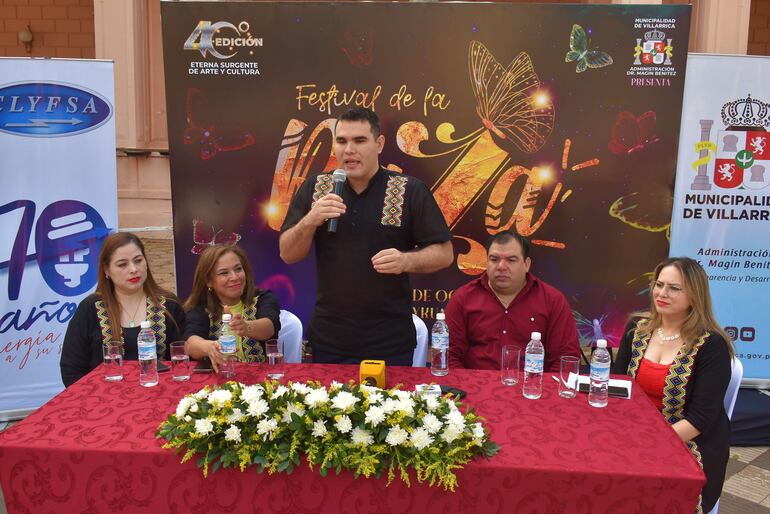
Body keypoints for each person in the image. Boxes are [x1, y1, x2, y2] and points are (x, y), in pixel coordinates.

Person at [279, 107, 453, 365]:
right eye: (341, 141)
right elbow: (288, 254)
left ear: (379, 144)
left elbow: (444, 253)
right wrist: (311, 220)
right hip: (330, 338)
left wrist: (405, 260)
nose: (349, 150)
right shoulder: (316, 187)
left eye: (359, 140)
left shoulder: (409, 189)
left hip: (390, 340)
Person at [613, 257, 733, 513]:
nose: (662, 293)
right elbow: (617, 385)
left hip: (688, 440)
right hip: (633, 430)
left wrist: (647, 442)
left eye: (674, 288)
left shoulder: (712, 345)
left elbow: (700, 420)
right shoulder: (637, 328)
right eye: (659, 285)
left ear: (695, 295)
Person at [60, 232, 185, 387]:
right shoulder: (90, 308)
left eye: (138, 260)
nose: (133, 269)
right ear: (106, 270)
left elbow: (183, 361)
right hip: (103, 398)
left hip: (160, 394)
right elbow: (71, 369)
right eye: (122, 264)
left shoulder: (169, 306)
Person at [446, 230, 580, 371]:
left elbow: (566, 359)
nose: (501, 267)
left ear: (526, 264)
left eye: (511, 260)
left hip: (532, 383)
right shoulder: (463, 298)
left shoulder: (552, 300)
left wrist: (541, 384)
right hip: (474, 383)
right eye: (494, 259)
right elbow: (449, 356)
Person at [183, 244, 280, 371]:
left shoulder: (263, 298)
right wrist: (209, 347)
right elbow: (189, 343)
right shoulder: (201, 307)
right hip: (219, 379)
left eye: (238, 269)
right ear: (209, 281)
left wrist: (245, 326)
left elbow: (269, 327)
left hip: (262, 376)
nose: (234, 277)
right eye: (224, 273)